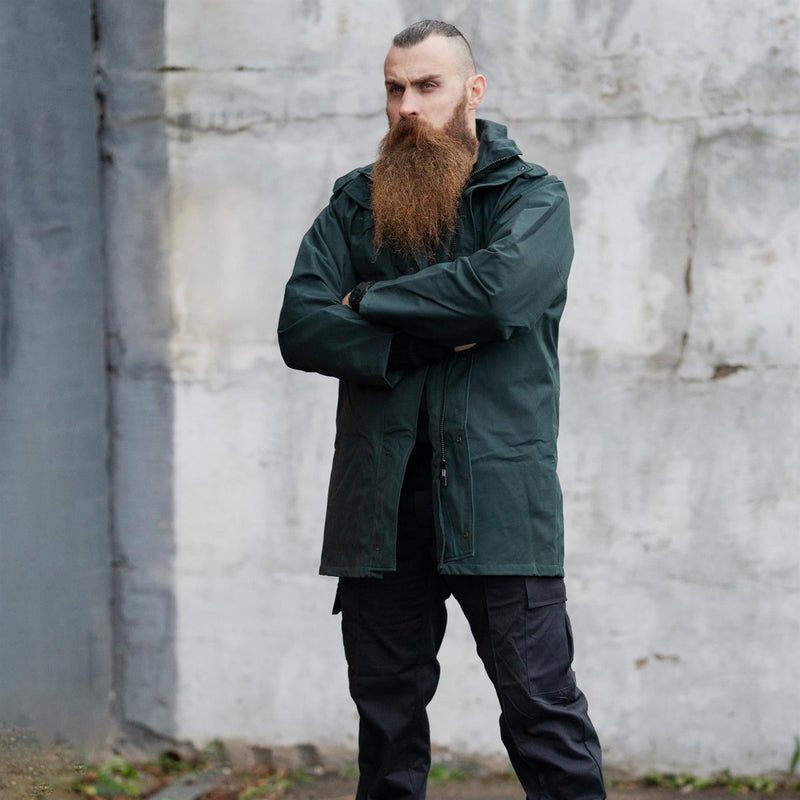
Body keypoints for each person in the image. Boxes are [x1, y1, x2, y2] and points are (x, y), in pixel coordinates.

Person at [278, 19, 605, 800]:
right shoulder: (356, 204)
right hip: (379, 507)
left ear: (472, 90)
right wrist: (413, 343)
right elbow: (301, 323)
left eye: (427, 85)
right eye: (395, 88)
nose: (408, 106)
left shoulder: (531, 197)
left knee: (541, 710)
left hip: (497, 500)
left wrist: (372, 301)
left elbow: (499, 294)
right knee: (386, 725)